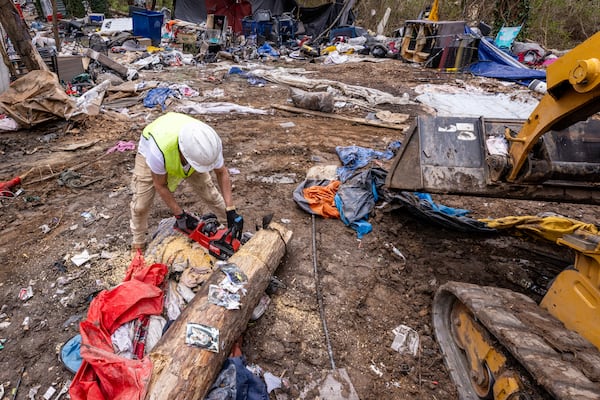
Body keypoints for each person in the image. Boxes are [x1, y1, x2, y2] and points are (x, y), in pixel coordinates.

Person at [129, 112, 241, 253]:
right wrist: (180, 215)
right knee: (140, 205)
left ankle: (231, 229)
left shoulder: (208, 143)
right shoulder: (158, 152)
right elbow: (160, 185)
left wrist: (231, 209)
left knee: (210, 193)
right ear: (184, 153)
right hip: (153, 148)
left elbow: (222, 172)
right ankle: (138, 244)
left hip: (189, 153)